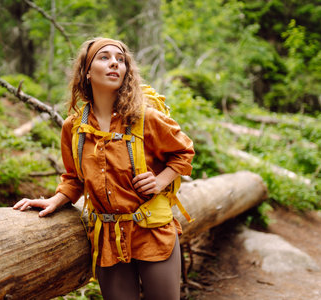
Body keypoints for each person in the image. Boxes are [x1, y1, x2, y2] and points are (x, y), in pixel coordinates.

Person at [13, 37, 194, 300]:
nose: (114, 64)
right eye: (105, 57)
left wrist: (160, 181)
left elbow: (184, 151)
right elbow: (74, 178)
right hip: (108, 238)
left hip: (153, 232)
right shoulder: (73, 127)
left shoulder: (146, 117)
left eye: (121, 60)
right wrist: (55, 200)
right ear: (87, 71)